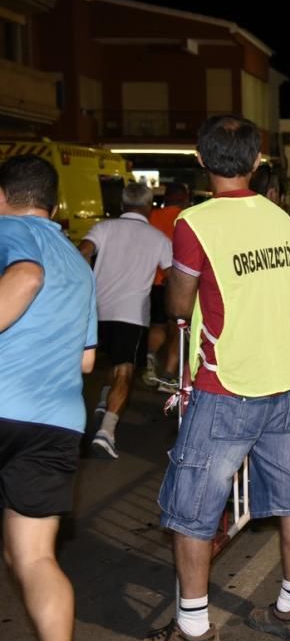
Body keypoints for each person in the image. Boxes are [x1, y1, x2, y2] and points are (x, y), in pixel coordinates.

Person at [121, 116, 290, 641]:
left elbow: (179, 303)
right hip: (283, 382)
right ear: (256, 163)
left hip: (225, 383)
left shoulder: (195, 222)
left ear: (200, 161)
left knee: (193, 512)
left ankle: (194, 630)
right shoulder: (284, 222)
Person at [0, 155, 97, 641]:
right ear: (55, 204)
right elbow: (86, 360)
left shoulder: (5, 229)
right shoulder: (79, 262)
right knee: (35, 559)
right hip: (55, 421)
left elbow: (26, 276)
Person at [79, 182, 172, 460]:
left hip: (96, 310)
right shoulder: (157, 238)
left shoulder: (103, 229)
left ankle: (100, 403)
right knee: (125, 371)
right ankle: (106, 433)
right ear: (148, 208)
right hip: (131, 314)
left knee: (99, 365)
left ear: (123, 204)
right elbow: (172, 276)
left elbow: (82, 251)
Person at [144, 182, 190, 393]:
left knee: (157, 326)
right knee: (178, 331)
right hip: (174, 281)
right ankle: (169, 377)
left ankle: (151, 359)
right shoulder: (187, 217)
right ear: (184, 199)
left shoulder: (151, 216)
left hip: (150, 281)